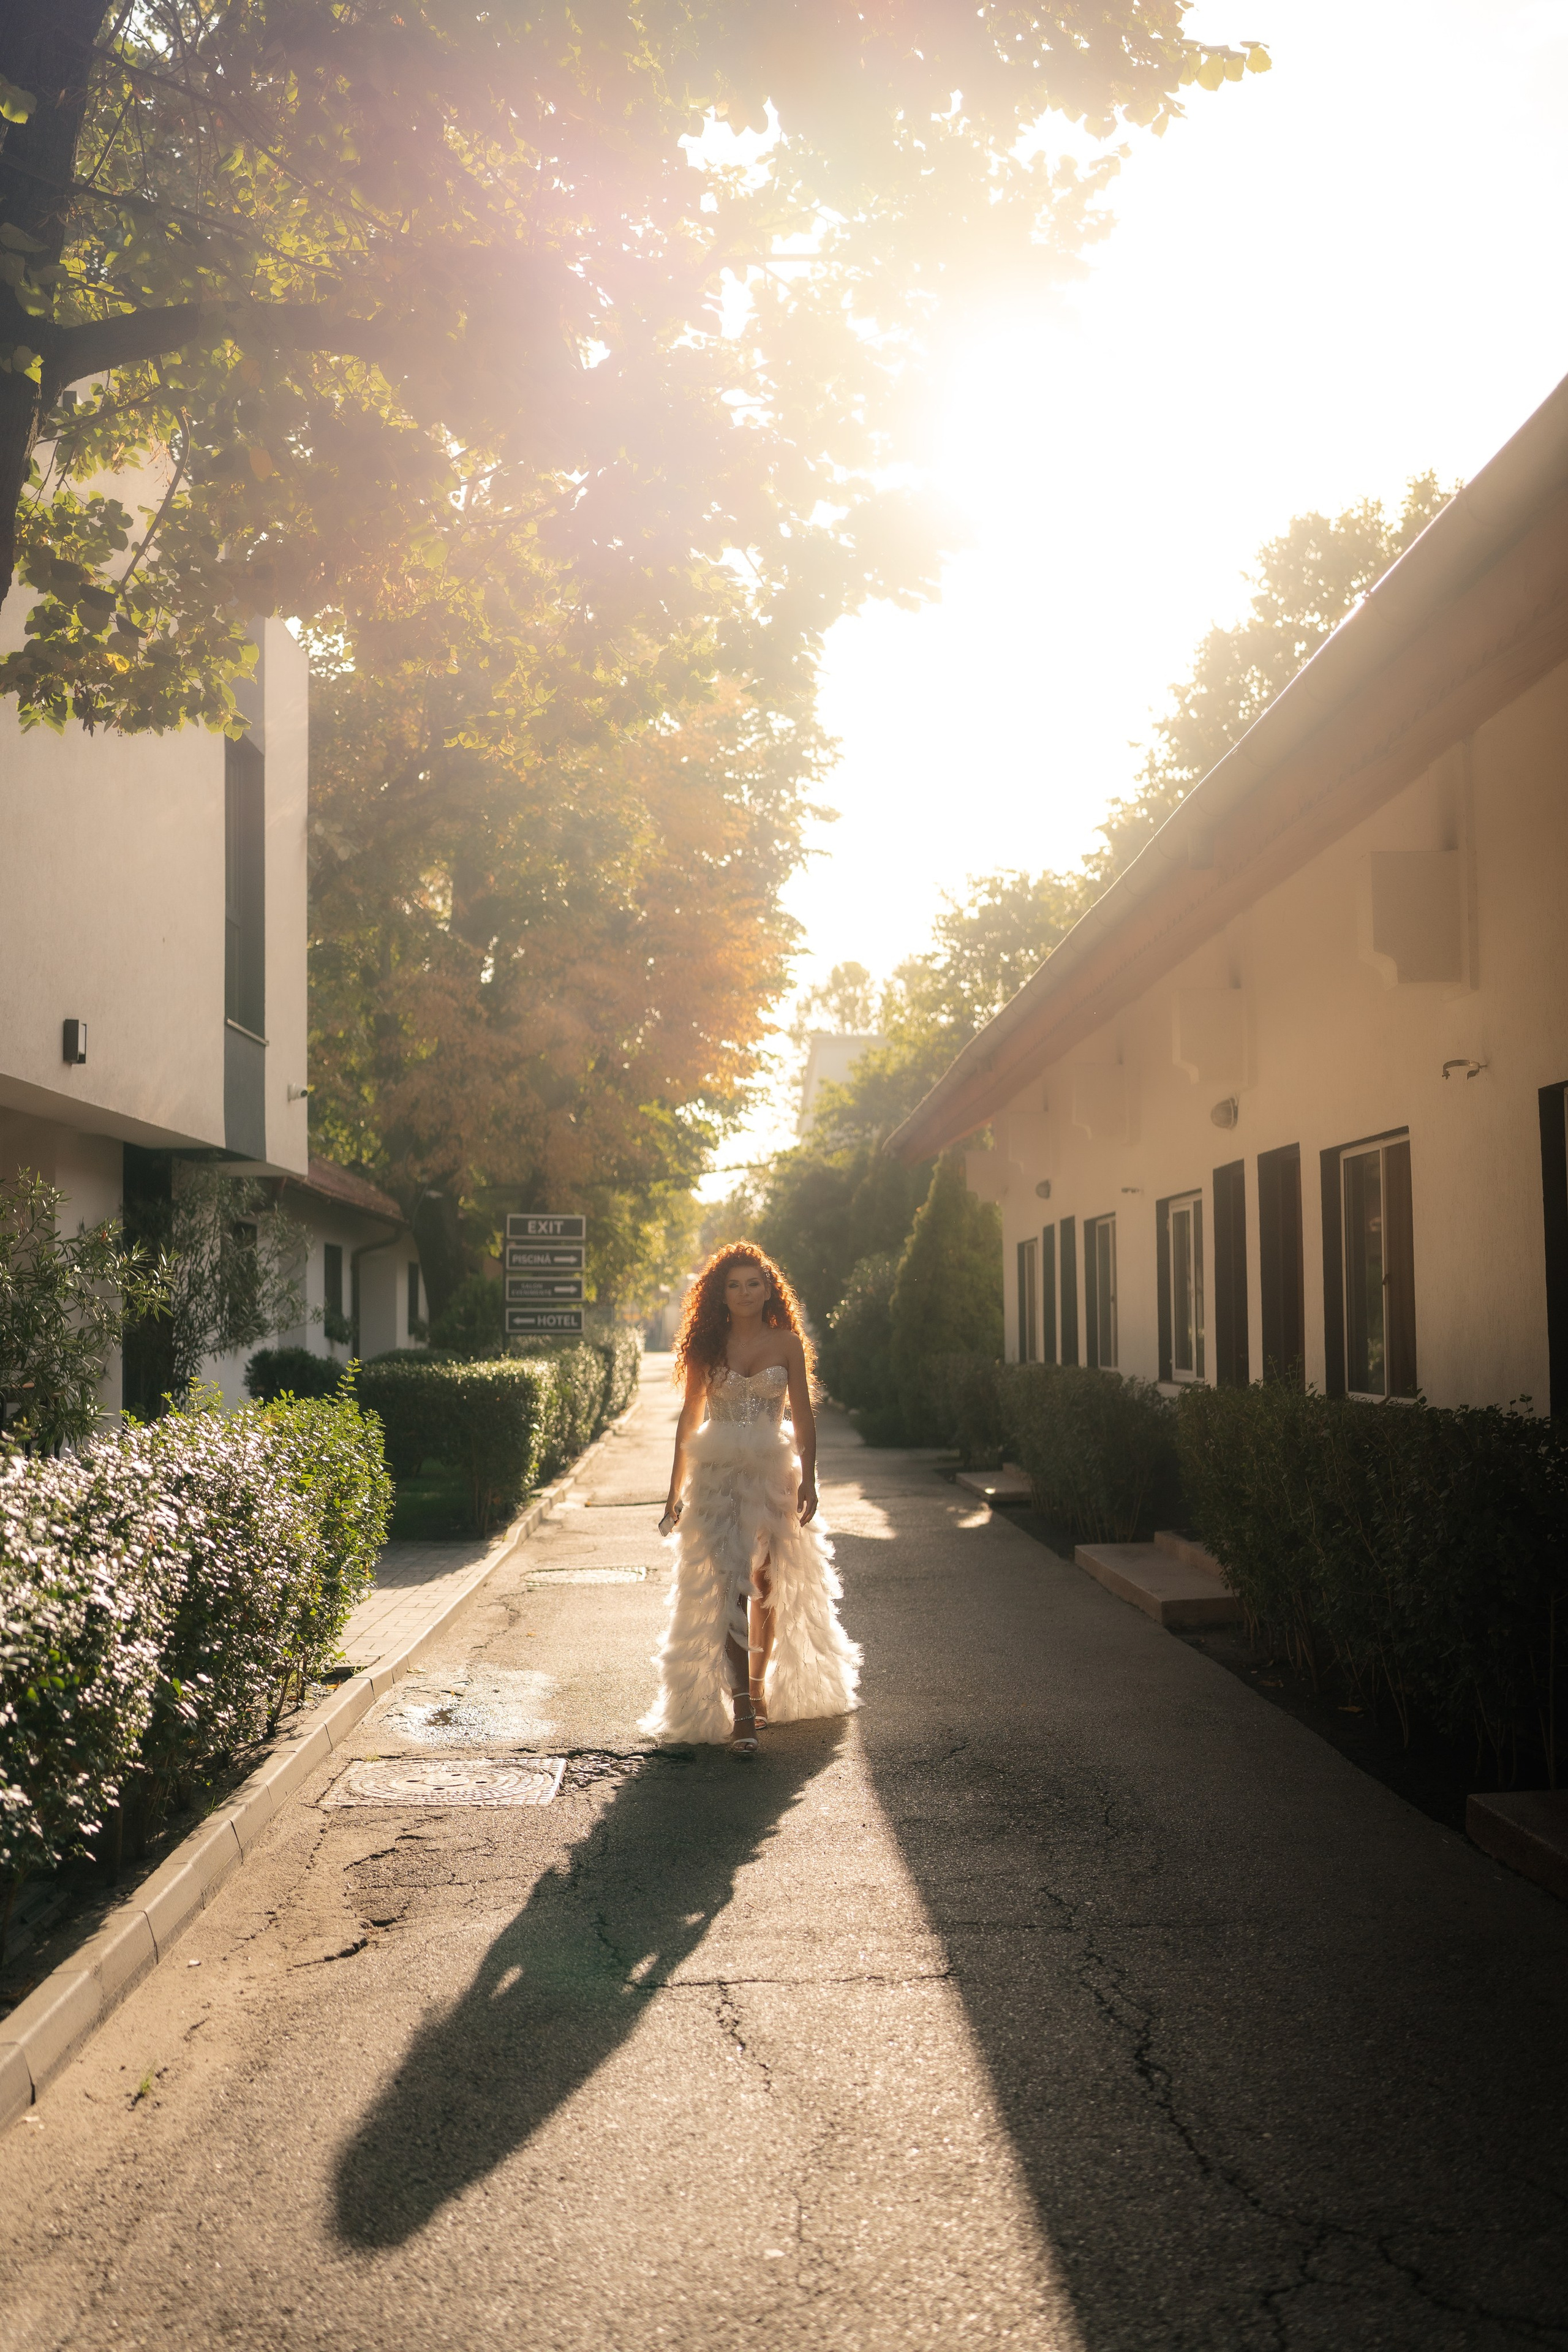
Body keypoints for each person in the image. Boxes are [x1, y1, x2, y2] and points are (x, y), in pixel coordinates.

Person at [641, 1242, 861, 1755]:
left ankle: (759, 1691)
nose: (743, 1292)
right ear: (720, 1295)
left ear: (768, 1291)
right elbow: (689, 1419)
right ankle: (740, 1708)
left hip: (774, 1472)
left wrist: (809, 1478)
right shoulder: (706, 1347)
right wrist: (674, 1492)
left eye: (753, 1284)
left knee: (768, 1581)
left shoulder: (786, 1344)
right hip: (717, 1476)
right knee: (728, 1584)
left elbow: (803, 1416)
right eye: (734, 1285)